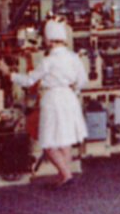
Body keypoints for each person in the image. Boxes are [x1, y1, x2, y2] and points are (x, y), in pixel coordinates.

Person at [23, 16, 89, 186]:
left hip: (53, 99)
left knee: (49, 142)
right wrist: (73, 89)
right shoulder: (74, 58)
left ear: (49, 40)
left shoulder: (48, 61)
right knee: (64, 140)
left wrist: (9, 74)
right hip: (69, 98)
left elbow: (29, 80)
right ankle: (63, 174)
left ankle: (66, 175)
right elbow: (82, 81)